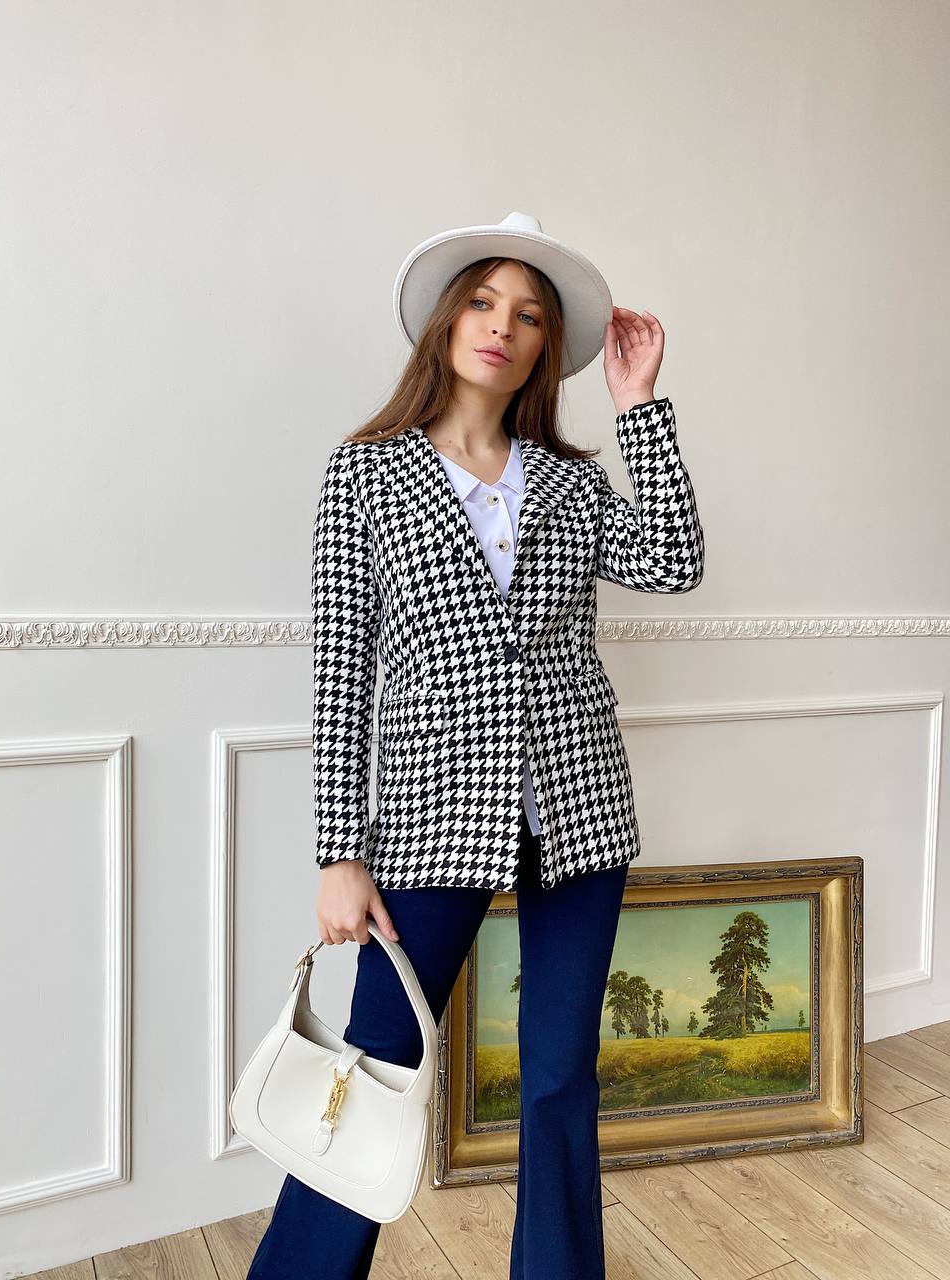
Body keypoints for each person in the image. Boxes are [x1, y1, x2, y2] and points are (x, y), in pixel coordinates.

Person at [245, 211, 705, 1279]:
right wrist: (337, 849)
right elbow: (340, 671)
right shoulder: (364, 474)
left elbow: (675, 558)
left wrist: (640, 409)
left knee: (557, 1074)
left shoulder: (570, 479)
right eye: (486, 301)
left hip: (578, 806)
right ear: (449, 319)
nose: (503, 325)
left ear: (547, 347)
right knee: (371, 1067)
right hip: (426, 819)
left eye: (529, 314)